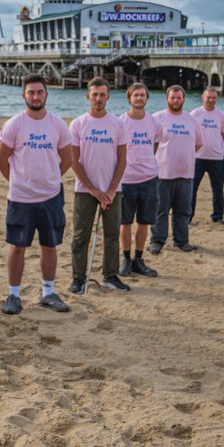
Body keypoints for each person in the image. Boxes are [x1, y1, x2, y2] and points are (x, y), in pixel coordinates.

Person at [0, 73, 73, 315]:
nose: (36, 96)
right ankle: (14, 295)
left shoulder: (57, 124)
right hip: (21, 199)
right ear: (24, 95)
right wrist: (19, 181)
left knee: (49, 246)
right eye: (31, 92)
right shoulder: (14, 124)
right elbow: (1, 160)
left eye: (40, 92)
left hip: (51, 197)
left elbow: (67, 159)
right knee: (17, 246)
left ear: (46, 94)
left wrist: (51, 178)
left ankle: (48, 292)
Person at [68, 77, 130, 294]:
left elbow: (122, 159)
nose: (98, 99)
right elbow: (74, 161)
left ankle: (110, 275)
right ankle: (78, 278)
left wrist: (111, 189)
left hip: (112, 191)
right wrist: (92, 189)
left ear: (108, 97)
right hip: (85, 190)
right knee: (80, 236)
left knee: (112, 234)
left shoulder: (118, 124)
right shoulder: (78, 124)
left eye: (102, 95)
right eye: (95, 94)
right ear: (88, 96)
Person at [149, 85, 204, 255]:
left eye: (179, 98)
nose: (175, 100)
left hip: (186, 174)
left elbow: (199, 143)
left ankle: (181, 241)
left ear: (183, 99)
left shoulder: (192, 120)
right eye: (172, 97)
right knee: (160, 210)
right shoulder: (157, 118)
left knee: (183, 210)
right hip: (162, 174)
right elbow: (149, 143)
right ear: (167, 99)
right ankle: (157, 241)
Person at [118, 83, 161, 278]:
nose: (139, 98)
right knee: (125, 222)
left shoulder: (154, 122)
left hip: (149, 178)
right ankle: (126, 259)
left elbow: (155, 144)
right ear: (129, 98)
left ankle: (138, 259)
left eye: (142, 95)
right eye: (135, 95)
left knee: (144, 222)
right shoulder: (121, 122)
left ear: (146, 98)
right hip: (126, 179)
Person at [190, 86, 224, 225]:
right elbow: (190, 133)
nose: (211, 100)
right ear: (203, 97)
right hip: (198, 157)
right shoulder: (195, 113)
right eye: (208, 97)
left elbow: (223, 136)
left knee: (218, 189)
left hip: (216, 158)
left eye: (213, 98)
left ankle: (218, 216)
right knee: (192, 189)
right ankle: (188, 216)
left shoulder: (221, 115)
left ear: (216, 99)